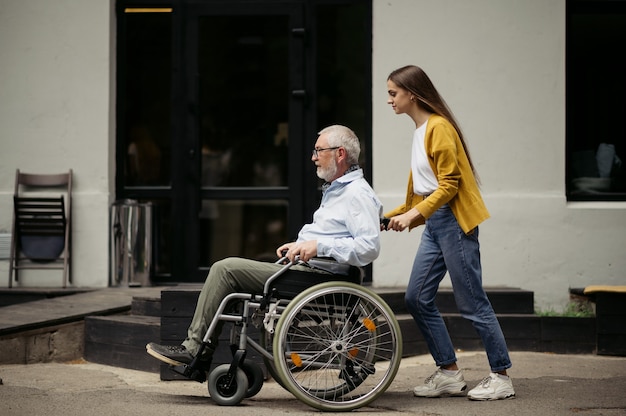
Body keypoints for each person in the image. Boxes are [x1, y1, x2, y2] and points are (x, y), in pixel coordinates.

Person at [146, 124, 383, 377]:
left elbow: (368, 248)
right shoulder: (341, 190)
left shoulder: (356, 193)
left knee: (224, 269)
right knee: (234, 272)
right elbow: (335, 235)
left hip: (320, 278)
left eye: (318, 151)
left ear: (340, 154)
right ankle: (201, 355)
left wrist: (317, 246)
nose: (313, 157)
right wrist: (301, 244)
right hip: (313, 272)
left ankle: (195, 351)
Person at [383, 65, 515, 401]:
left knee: (472, 302)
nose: (390, 100)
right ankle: (449, 373)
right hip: (436, 221)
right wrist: (389, 216)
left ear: (412, 93)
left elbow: (450, 185)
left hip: (454, 221)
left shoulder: (438, 127)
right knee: (417, 297)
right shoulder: (420, 131)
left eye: (393, 93)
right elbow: (422, 194)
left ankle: (501, 376)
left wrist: (416, 213)